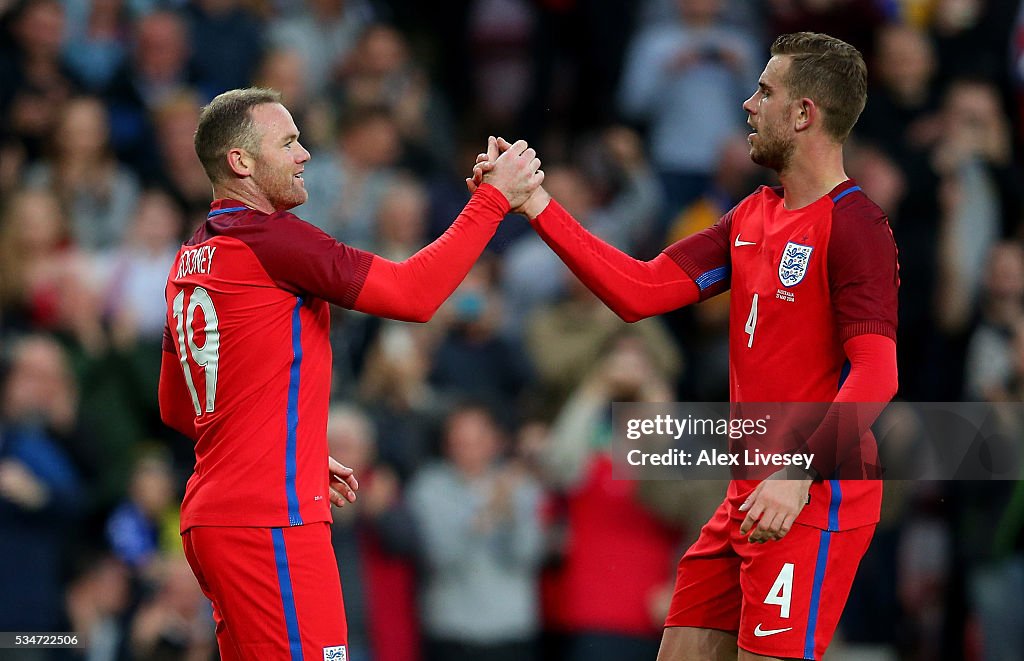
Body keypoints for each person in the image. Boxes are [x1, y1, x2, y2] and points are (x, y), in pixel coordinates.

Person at [473, 32, 899, 661]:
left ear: (804, 113)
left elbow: (878, 374)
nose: (748, 105)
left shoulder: (857, 226)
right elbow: (639, 290)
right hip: (747, 493)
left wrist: (797, 475)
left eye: (764, 91)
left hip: (812, 497)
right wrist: (535, 203)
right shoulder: (751, 214)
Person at [158, 87, 542, 660]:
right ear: (240, 162)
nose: (305, 153)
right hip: (271, 521)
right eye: (288, 141)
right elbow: (413, 294)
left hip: (213, 519)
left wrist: (292, 449)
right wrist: (491, 202)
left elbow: (180, 407)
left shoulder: (191, 257)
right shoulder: (272, 239)